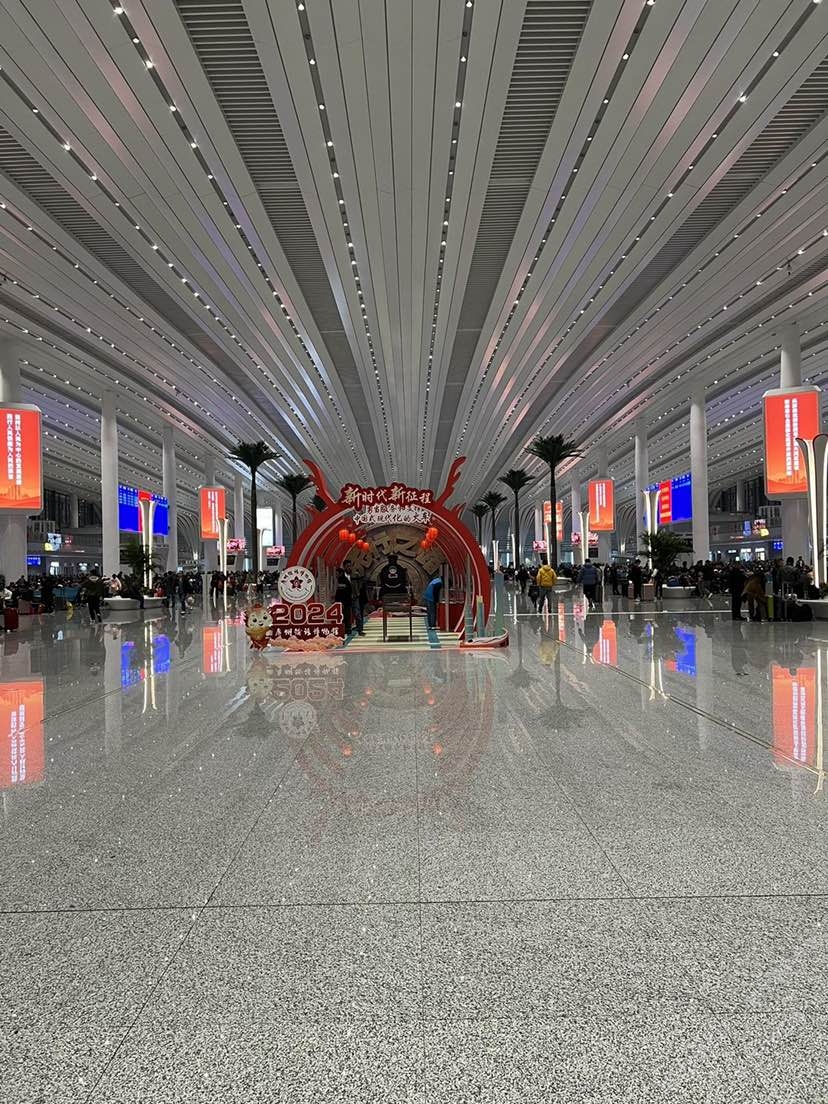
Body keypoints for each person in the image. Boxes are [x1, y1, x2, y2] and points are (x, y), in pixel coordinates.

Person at [334, 568, 354, 633]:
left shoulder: (343, 581)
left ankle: (346, 629)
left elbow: (342, 593)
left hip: (345, 603)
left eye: (337, 574)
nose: (336, 575)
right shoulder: (342, 580)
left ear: (341, 573)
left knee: (345, 616)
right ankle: (346, 629)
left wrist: (342, 602)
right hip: (345, 602)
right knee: (345, 616)